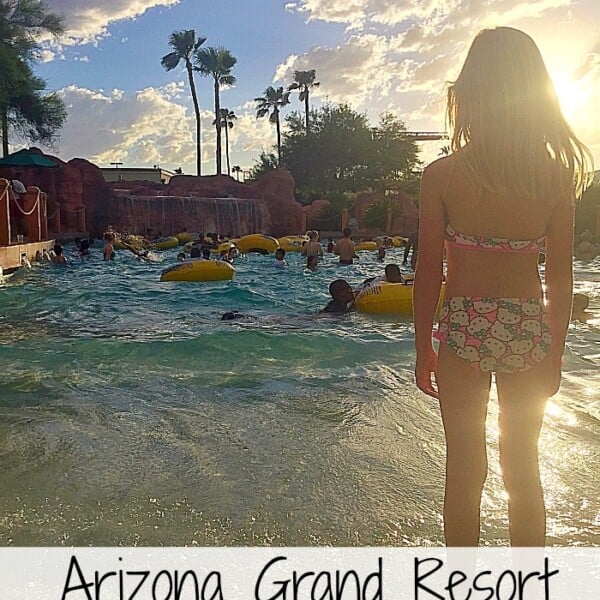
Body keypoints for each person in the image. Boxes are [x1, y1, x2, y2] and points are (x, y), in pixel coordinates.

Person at [413, 27, 593, 547]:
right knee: (524, 471)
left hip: (465, 323)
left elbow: (430, 270)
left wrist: (423, 343)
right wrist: (555, 351)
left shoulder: (442, 175)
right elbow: (560, 278)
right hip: (529, 326)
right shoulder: (555, 177)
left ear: (470, 92)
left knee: (464, 472)